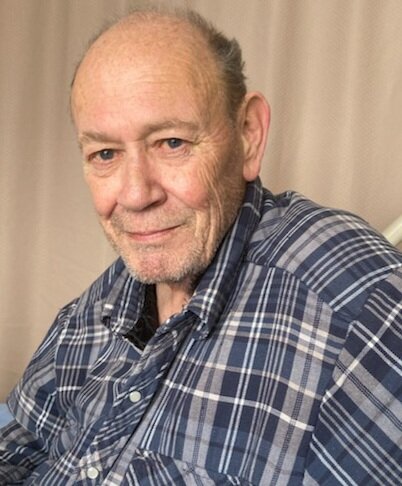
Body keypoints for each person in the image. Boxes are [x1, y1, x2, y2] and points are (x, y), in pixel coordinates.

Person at [1, 6, 401, 485]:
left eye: (172, 143)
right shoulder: (103, 301)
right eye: (105, 153)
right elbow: (15, 444)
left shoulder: (361, 307)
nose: (135, 194)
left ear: (248, 134)